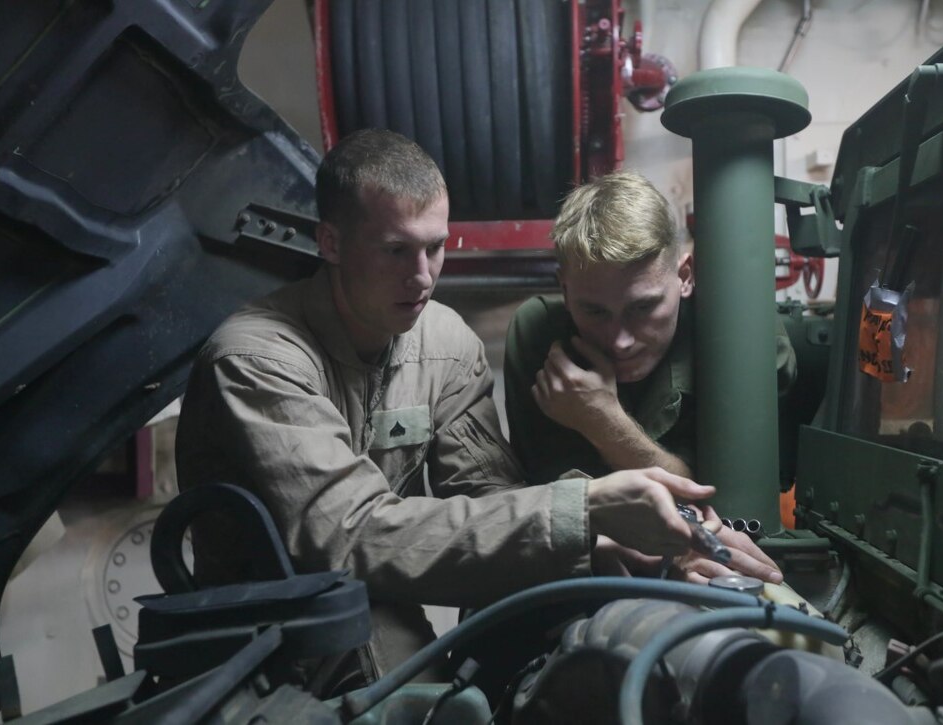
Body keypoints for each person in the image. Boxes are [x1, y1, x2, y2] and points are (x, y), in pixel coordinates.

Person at [175, 130, 724, 692]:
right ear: (332, 243)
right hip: (257, 643)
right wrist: (585, 510)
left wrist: (611, 547)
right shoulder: (255, 359)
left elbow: (491, 497)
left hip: (381, 616)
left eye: (435, 247)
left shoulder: (445, 341)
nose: (422, 276)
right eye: (395, 250)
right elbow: (347, 537)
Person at [504, 170, 796, 582]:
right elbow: (556, 502)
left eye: (643, 308)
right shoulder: (538, 334)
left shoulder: (744, 340)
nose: (620, 341)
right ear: (564, 291)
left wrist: (603, 421)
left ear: (685, 276)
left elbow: (726, 512)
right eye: (595, 312)